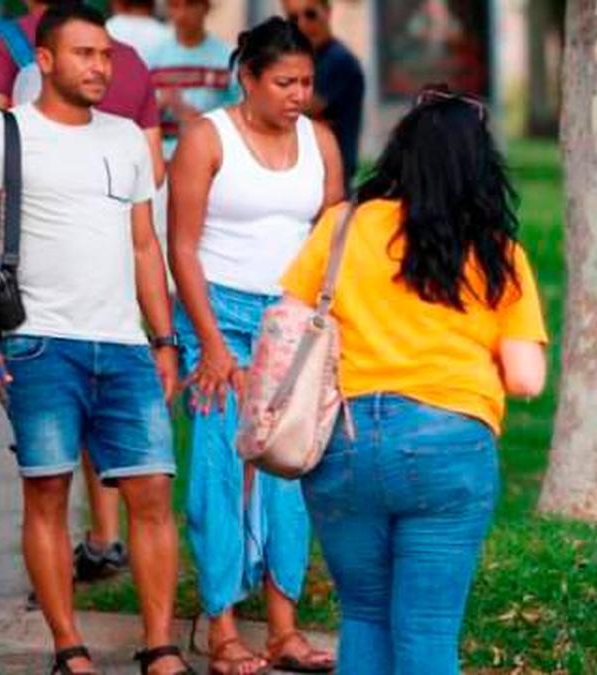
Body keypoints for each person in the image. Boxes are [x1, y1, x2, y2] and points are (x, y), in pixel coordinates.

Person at [279, 86, 548, 674]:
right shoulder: (495, 250)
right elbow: (527, 378)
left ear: (401, 153)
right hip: (450, 443)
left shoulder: (343, 226)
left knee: (365, 616)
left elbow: (290, 319)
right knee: (426, 629)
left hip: (342, 442)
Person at [0, 4, 191, 674]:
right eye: (84, 54)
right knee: (46, 493)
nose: (100, 67)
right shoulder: (7, 134)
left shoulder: (125, 139)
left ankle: (161, 645)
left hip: (125, 345)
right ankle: (67, 645)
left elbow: (144, 244)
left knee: (152, 494)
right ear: (44, 61)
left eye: (105, 55)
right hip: (40, 342)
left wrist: (163, 338)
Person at [168, 16, 342, 675]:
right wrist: (210, 342)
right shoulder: (207, 137)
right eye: (284, 82)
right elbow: (180, 246)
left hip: (291, 322)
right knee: (218, 470)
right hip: (217, 313)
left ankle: (283, 628)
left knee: (288, 470)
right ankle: (220, 628)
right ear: (247, 77)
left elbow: (328, 242)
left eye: (306, 81)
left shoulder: (319, 140)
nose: (298, 93)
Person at [281, 0, 363, 192]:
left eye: (310, 14)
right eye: (293, 18)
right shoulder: (303, 59)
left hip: (330, 180)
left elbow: (300, 106)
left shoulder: (339, 59)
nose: (302, 25)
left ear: (327, 12)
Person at [148, 0, 238, 159]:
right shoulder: (152, 57)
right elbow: (137, 117)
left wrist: (189, 115)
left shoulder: (228, 58)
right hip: (162, 159)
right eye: (175, 5)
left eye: (190, 5)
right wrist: (158, 105)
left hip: (211, 157)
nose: (182, 14)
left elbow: (239, 116)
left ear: (206, 7)